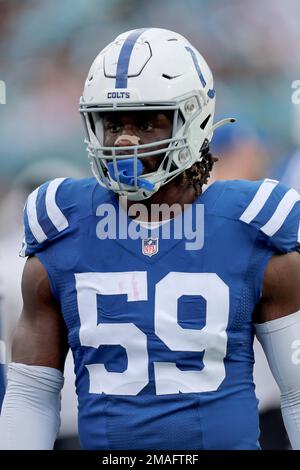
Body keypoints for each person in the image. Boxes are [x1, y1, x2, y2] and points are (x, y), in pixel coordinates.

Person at [0, 27, 300, 450]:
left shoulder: (252, 225)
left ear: (193, 119)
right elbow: (31, 393)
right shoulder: (62, 227)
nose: (125, 140)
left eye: (145, 121)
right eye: (111, 122)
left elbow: (297, 393)